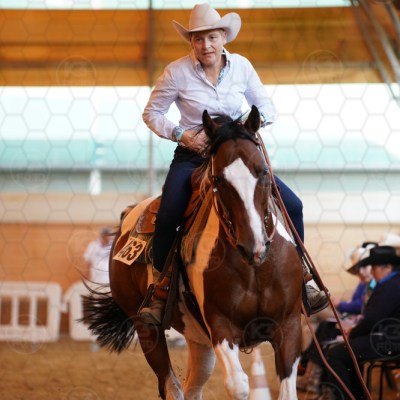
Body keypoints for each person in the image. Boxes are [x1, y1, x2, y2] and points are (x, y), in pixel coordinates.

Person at [139, 3, 328, 325]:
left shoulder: (242, 66)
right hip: (194, 155)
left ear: (223, 37)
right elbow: (152, 113)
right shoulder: (175, 72)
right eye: (198, 39)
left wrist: (247, 126)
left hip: (238, 153)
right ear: (191, 42)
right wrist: (182, 135)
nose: (205, 45)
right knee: (169, 213)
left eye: (212, 37)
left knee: (293, 205)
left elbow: (266, 107)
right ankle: (160, 290)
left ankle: (303, 281)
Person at [316, 246, 400, 400]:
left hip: (388, 341)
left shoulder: (390, 286)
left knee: (335, 354)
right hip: (387, 338)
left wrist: (352, 333)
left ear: (387, 267)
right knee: (347, 351)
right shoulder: (392, 283)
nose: (372, 272)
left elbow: (370, 320)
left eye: (374, 267)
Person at [297, 242, 377, 394]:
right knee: (312, 328)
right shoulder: (366, 284)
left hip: (355, 321)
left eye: (364, 267)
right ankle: (312, 377)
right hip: (353, 319)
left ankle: (307, 366)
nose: (361, 272)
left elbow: (361, 307)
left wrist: (341, 304)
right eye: (358, 269)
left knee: (318, 320)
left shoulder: (374, 285)